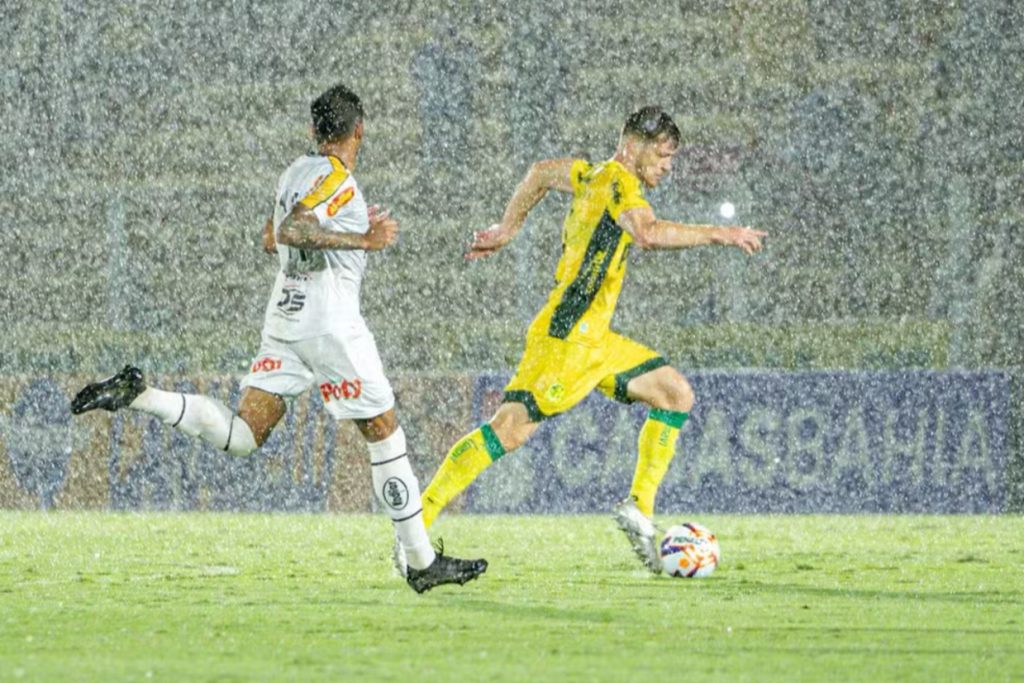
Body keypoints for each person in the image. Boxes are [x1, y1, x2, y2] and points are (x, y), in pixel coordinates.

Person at [70, 83, 487, 594]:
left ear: (313, 130)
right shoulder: (337, 178)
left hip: (285, 316)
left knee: (245, 434)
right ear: (359, 130)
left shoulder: (295, 172)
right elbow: (291, 230)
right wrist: (363, 239)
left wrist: (341, 230)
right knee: (385, 433)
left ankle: (141, 395)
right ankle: (421, 561)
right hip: (329, 322)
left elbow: (270, 238)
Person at [417, 106, 767, 573]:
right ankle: (414, 529)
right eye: (663, 155)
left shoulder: (588, 175)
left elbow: (540, 173)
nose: (668, 167)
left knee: (674, 393)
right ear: (635, 146)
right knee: (509, 429)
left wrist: (507, 227)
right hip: (566, 338)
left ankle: (639, 510)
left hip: (595, 339)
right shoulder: (620, 182)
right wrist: (721, 234)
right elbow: (647, 233)